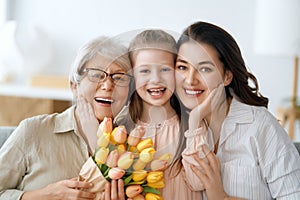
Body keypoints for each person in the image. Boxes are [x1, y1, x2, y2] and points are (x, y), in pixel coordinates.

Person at [175, 21, 300, 199]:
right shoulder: (171, 127)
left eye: (204, 69)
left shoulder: (259, 125)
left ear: (227, 76)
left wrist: (223, 197)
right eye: (182, 67)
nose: (190, 79)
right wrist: (194, 121)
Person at [0, 36, 132, 200]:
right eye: (96, 75)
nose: (107, 85)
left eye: (119, 78)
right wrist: (41, 196)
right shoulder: (33, 131)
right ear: (74, 86)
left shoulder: (135, 148)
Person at [127, 29, 203, 199]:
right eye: (145, 71)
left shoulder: (192, 126)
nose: (156, 79)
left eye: (165, 70)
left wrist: (195, 123)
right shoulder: (122, 128)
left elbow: (198, 182)